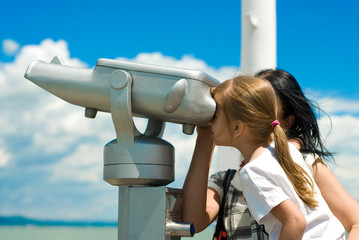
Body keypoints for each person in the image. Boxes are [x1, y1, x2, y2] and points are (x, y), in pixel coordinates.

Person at [182, 70, 359, 239]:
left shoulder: (304, 166)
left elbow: (354, 222)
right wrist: (205, 136)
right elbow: (193, 223)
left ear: (286, 122)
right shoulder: (228, 182)